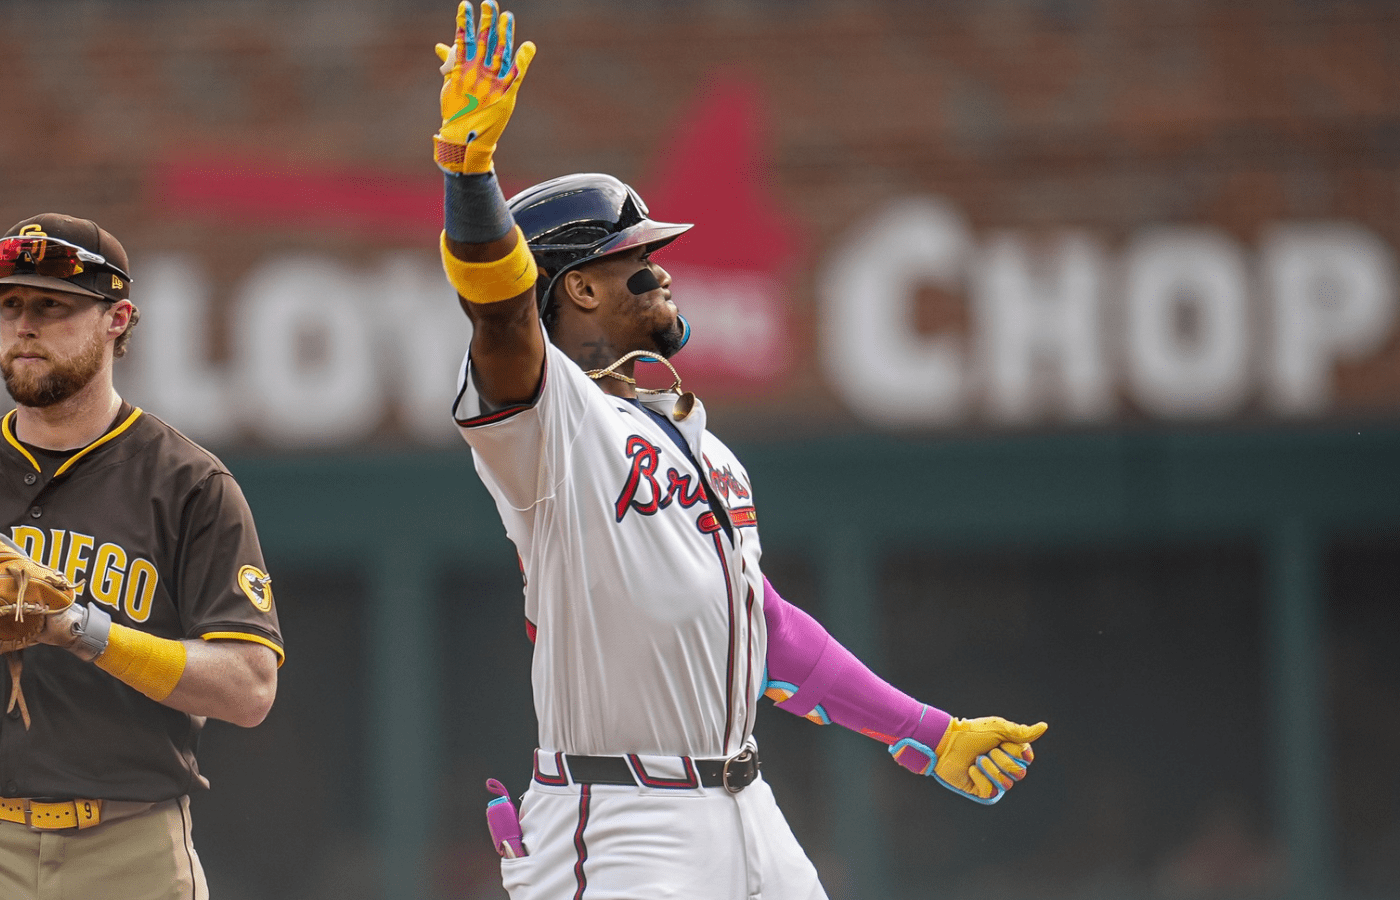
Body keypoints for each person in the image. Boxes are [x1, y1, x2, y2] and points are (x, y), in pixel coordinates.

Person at [432, 4, 1048, 897]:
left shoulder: (698, 441)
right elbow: (499, 311)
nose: (663, 264)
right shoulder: (550, 426)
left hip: (746, 801)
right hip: (621, 815)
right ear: (584, 289)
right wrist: (471, 174)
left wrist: (928, 733)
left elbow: (764, 631)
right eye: (636, 255)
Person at [0, 212, 283, 899]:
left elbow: (249, 688)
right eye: (9, 304)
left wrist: (79, 630)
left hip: (127, 844)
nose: (24, 326)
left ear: (117, 319)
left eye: (52, 306)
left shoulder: (187, 483)